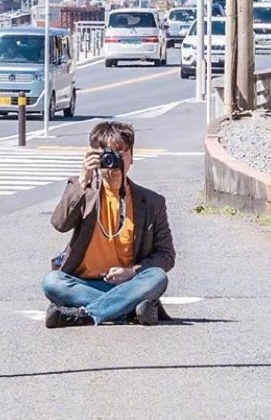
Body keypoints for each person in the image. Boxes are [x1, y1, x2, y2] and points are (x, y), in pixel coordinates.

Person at [41, 119, 174, 328]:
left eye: (120, 153)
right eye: (105, 154)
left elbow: (166, 256)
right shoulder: (83, 190)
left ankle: (86, 314)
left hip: (130, 283)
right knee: (52, 282)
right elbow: (59, 223)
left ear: (131, 157)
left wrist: (132, 272)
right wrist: (83, 180)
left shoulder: (152, 202)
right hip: (85, 283)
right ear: (94, 157)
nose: (112, 161)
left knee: (157, 277)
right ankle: (128, 309)